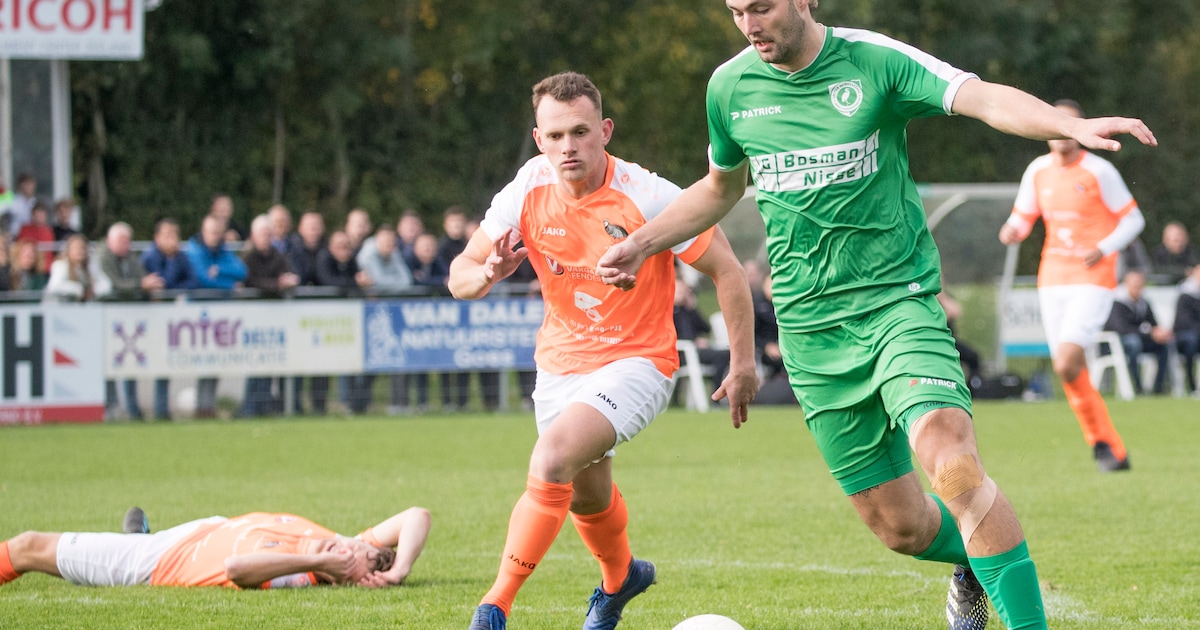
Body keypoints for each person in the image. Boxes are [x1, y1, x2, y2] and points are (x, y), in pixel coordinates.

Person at [598, 4, 1157, 627]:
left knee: (953, 465)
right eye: (736, 10)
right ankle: (972, 558)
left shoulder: (873, 60)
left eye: (762, 6)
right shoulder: (729, 87)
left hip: (898, 305)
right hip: (811, 334)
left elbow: (981, 97)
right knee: (902, 528)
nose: (749, 23)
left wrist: (1065, 125)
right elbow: (720, 187)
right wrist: (643, 242)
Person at [451, 71, 756, 630]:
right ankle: (621, 579)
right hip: (559, 364)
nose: (568, 146)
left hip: (638, 361)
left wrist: (742, 364)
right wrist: (487, 274)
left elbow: (729, 272)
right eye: (555, 135)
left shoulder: (649, 196)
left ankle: (494, 607)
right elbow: (460, 275)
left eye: (580, 132)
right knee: (584, 497)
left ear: (605, 131)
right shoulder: (526, 188)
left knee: (551, 460)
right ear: (539, 139)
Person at [1001, 99, 1146, 469]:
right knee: (1067, 366)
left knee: (1067, 361)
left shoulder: (1099, 171)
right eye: (1057, 121)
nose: (1063, 130)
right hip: (1051, 277)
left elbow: (1134, 220)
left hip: (1092, 278)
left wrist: (1104, 248)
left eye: (1071, 122)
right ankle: (1107, 445)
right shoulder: (1037, 170)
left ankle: (1103, 441)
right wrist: (1012, 231)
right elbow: (1022, 218)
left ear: (1082, 130)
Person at [0, 505, 430, 590]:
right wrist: (400, 569)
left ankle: (136, 540)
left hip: (159, 561)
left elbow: (237, 567)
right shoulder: (344, 544)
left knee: (28, 546)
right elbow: (417, 514)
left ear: (344, 579)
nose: (346, 549)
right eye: (356, 545)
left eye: (352, 561)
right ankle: (137, 534)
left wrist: (319, 561)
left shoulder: (301, 573)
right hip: (206, 526)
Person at [95, 222, 163, 421]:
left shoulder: (131, 258)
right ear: (110, 240)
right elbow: (115, 284)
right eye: (121, 241)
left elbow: (141, 278)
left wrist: (149, 286)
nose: (125, 245)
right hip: (105, 318)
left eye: (127, 241)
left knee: (130, 365)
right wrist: (141, 285)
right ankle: (112, 408)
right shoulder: (103, 257)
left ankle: (131, 409)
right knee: (107, 366)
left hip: (127, 320)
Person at [185, 215, 249, 417]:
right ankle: (201, 406)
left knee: (214, 361)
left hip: (220, 317)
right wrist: (230, 285)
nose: (215, 236)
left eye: (218, 232)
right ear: (203, 232)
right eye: (211, 232)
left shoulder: (223, 250)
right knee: (203, 362)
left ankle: (208, 407)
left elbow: (241, 271)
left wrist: (219, 270)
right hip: (199, 318)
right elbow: (203, 279)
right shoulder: (193, 250)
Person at [238, 215, 300, 418]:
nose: (265, 237)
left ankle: (265, 407)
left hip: (275, 320)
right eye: (262, 233)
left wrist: (288, 280)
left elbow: (289, 274)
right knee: (255, 364)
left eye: (268, 233)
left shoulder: (278, 255)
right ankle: (250, 408)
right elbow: (250, 281)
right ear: (253, 235)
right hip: (253, 319)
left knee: (270, 364)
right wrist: (277, 284)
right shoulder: (247, 257)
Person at [141, 218, 200, 420]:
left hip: (171, 320)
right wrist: (172, 266)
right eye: (167, 235)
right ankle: (138, 410)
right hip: (150, 320)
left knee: (165, 363)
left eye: (175, 235)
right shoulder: (150, 256)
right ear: (157, 237)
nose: (172, 239)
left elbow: (192, 281)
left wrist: (172, 291)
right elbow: (162, 280)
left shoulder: (180, 256)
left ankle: (162, 411)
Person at [286, 211, 330, 415]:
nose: (314, 230)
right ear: (300, 228)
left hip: (322, 315)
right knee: (297, 361)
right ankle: (293, 405)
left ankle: (319, 407)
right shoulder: (292, 250)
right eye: (309, 226)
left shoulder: (326, 249)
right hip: (297, 314)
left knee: (321, 362)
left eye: (317, 225)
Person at [1104, 270, 1172, 396]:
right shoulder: (1117, 302)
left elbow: (1153, 323)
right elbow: (1122, 329)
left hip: (1139, 340)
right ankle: (1137, 386)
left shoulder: (1143, 302)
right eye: (1135, 284)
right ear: (1126, 284)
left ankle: (1159, 387)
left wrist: (1160, 332)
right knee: (1133, 343)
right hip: (1115, 344)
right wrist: (1149, 333)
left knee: (1163, 345)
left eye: (1140, 284)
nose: (1138, 287)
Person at [672, 274, 731, 402]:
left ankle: (717, 393)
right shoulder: (669, 311)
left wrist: (693, 309)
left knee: (724, 355)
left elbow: (705, 328)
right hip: (681, 353)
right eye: (679, 291)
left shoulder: (687, 311)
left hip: (694, 351)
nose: (682, 295)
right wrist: (692, 343)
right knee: (722, 356)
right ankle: (716, 397)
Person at [437, 206, 473, 412]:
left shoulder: (469, 245)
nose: (457, 226)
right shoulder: (441, 247)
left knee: (464, 356)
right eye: (453, 222)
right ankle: (447, 401)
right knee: (446, 358)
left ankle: (462, 400)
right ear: (446, 224)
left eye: (460, 222)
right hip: (447, 309)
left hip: (465, 308)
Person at [42, 234, 93, 303]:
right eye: (75, 248)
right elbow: (54, 286)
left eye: (82, 248)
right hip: (56, 305)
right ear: (68, 250)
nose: (79, 251)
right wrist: (78, 289)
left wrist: (93, 290)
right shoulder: (60, 265)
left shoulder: (88, 266)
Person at [1175, 264, 1200, 397]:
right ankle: (1191, 384)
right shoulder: (1185, 294)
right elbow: (1183, 321)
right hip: (1186, 335)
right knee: (1191, 342)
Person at [15, 201, 55, 269]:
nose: (39, 217)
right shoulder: (25, 229)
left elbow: (49, 254)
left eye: (41, 215)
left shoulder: (49, 232)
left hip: (45, 267)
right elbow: (19, 247)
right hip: (26, 264)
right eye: (37, 215)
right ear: (32, 215)